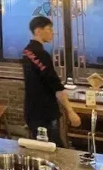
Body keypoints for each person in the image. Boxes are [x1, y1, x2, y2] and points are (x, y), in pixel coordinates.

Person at [22, 16, 81, 145]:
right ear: (38, 31)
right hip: (44, 112)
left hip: (31, 109)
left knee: (41, 147)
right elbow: (54, 84)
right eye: (49, 29)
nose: (52, 32)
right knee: (53, 147)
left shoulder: (27, 51)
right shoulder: (41, 54)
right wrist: (71, 112)